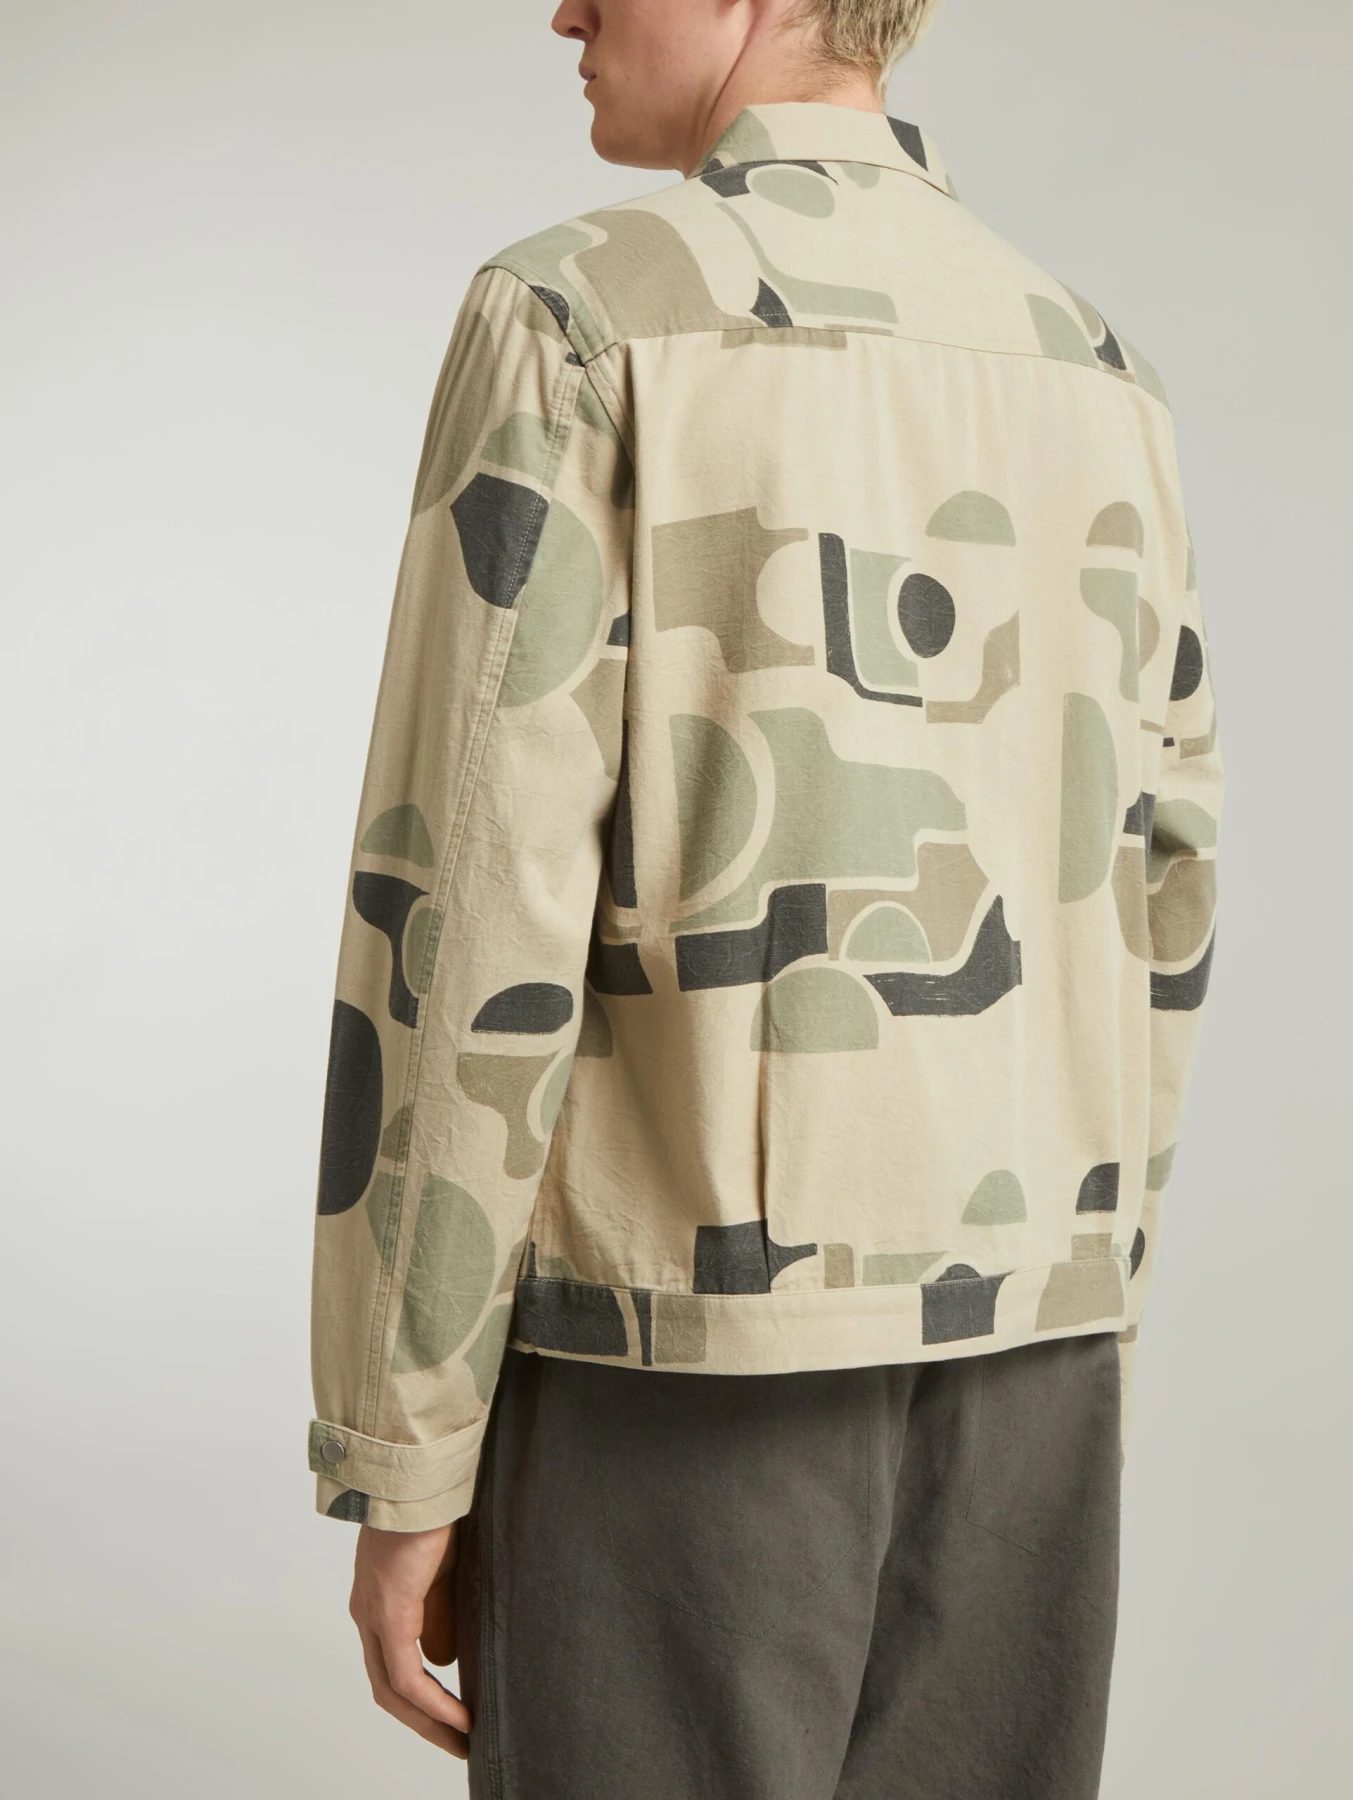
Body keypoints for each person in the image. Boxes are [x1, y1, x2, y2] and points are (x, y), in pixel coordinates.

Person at [307, 0, 1224, 1793]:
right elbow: (1164, 886)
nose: (565, 9)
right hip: (1034, 1357)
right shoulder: (1092, 363)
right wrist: (1092, 1279)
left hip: (681, 1359)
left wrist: (401, 1447)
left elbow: (471, 898)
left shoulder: (582, 318)